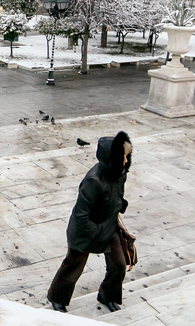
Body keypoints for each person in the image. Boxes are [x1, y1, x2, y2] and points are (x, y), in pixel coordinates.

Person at [47, 132, 132, 314]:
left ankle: (107, 295)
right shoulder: (93, 181)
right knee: (73, 266)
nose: (126, 161)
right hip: (85, 231)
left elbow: (116, 196)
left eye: (126, 157)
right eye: (122, 157)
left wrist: (119, 204)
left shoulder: (120, 174)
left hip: (108, 226)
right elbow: (81, 216)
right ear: (112, 158)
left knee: (118, 265)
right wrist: (98, 233)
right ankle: (57, 298)